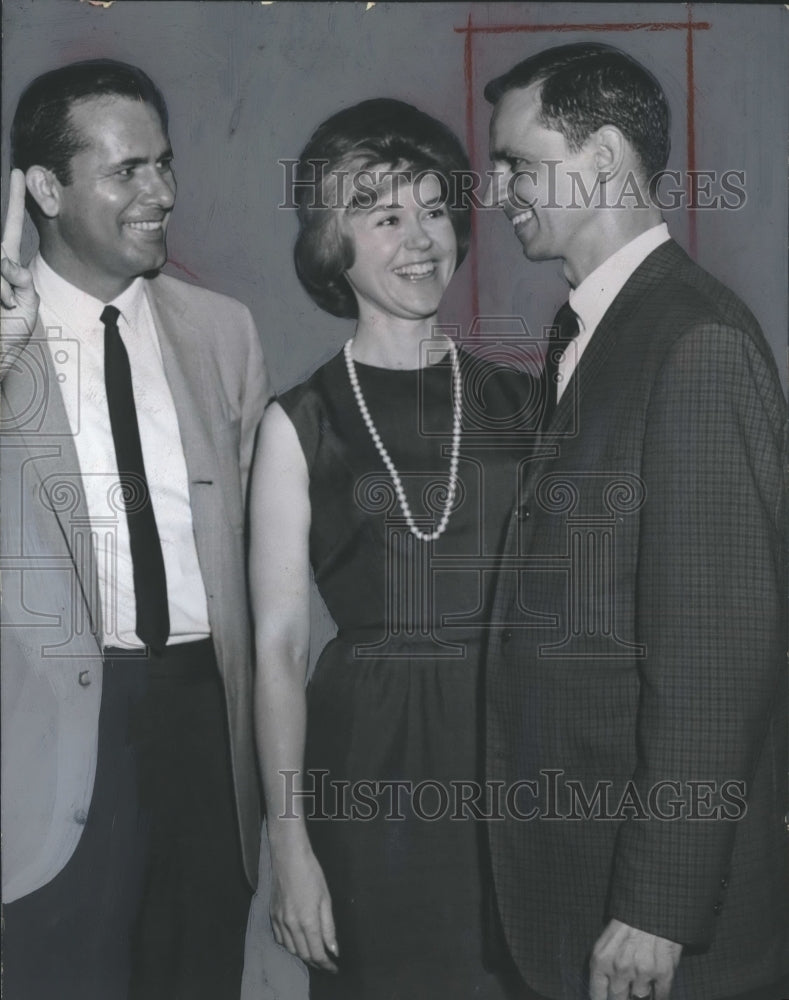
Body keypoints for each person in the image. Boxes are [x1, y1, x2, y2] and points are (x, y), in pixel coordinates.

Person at [483, 42, 789, 1000]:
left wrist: (658, 905)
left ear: (605, 157)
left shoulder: (694, 343)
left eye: (518, 164)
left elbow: (715, 660)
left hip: (653, 930)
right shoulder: (593, 331)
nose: (497, 192)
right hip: (581, 879)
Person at [250, 98, 540, 998]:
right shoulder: (298, 422)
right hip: (366, 769)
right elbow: (278, 649)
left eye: (434, 209)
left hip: (512, 759)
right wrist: (289, 844)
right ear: (331, 244)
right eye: (383, 217)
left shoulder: (522, 403)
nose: (420, 239)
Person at [0, 59, 272, 1000]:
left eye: (164, 163)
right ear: (45, 190)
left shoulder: (223, 331)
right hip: (47, 748)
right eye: (127, 171)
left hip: (204, 728)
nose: (161, 192)